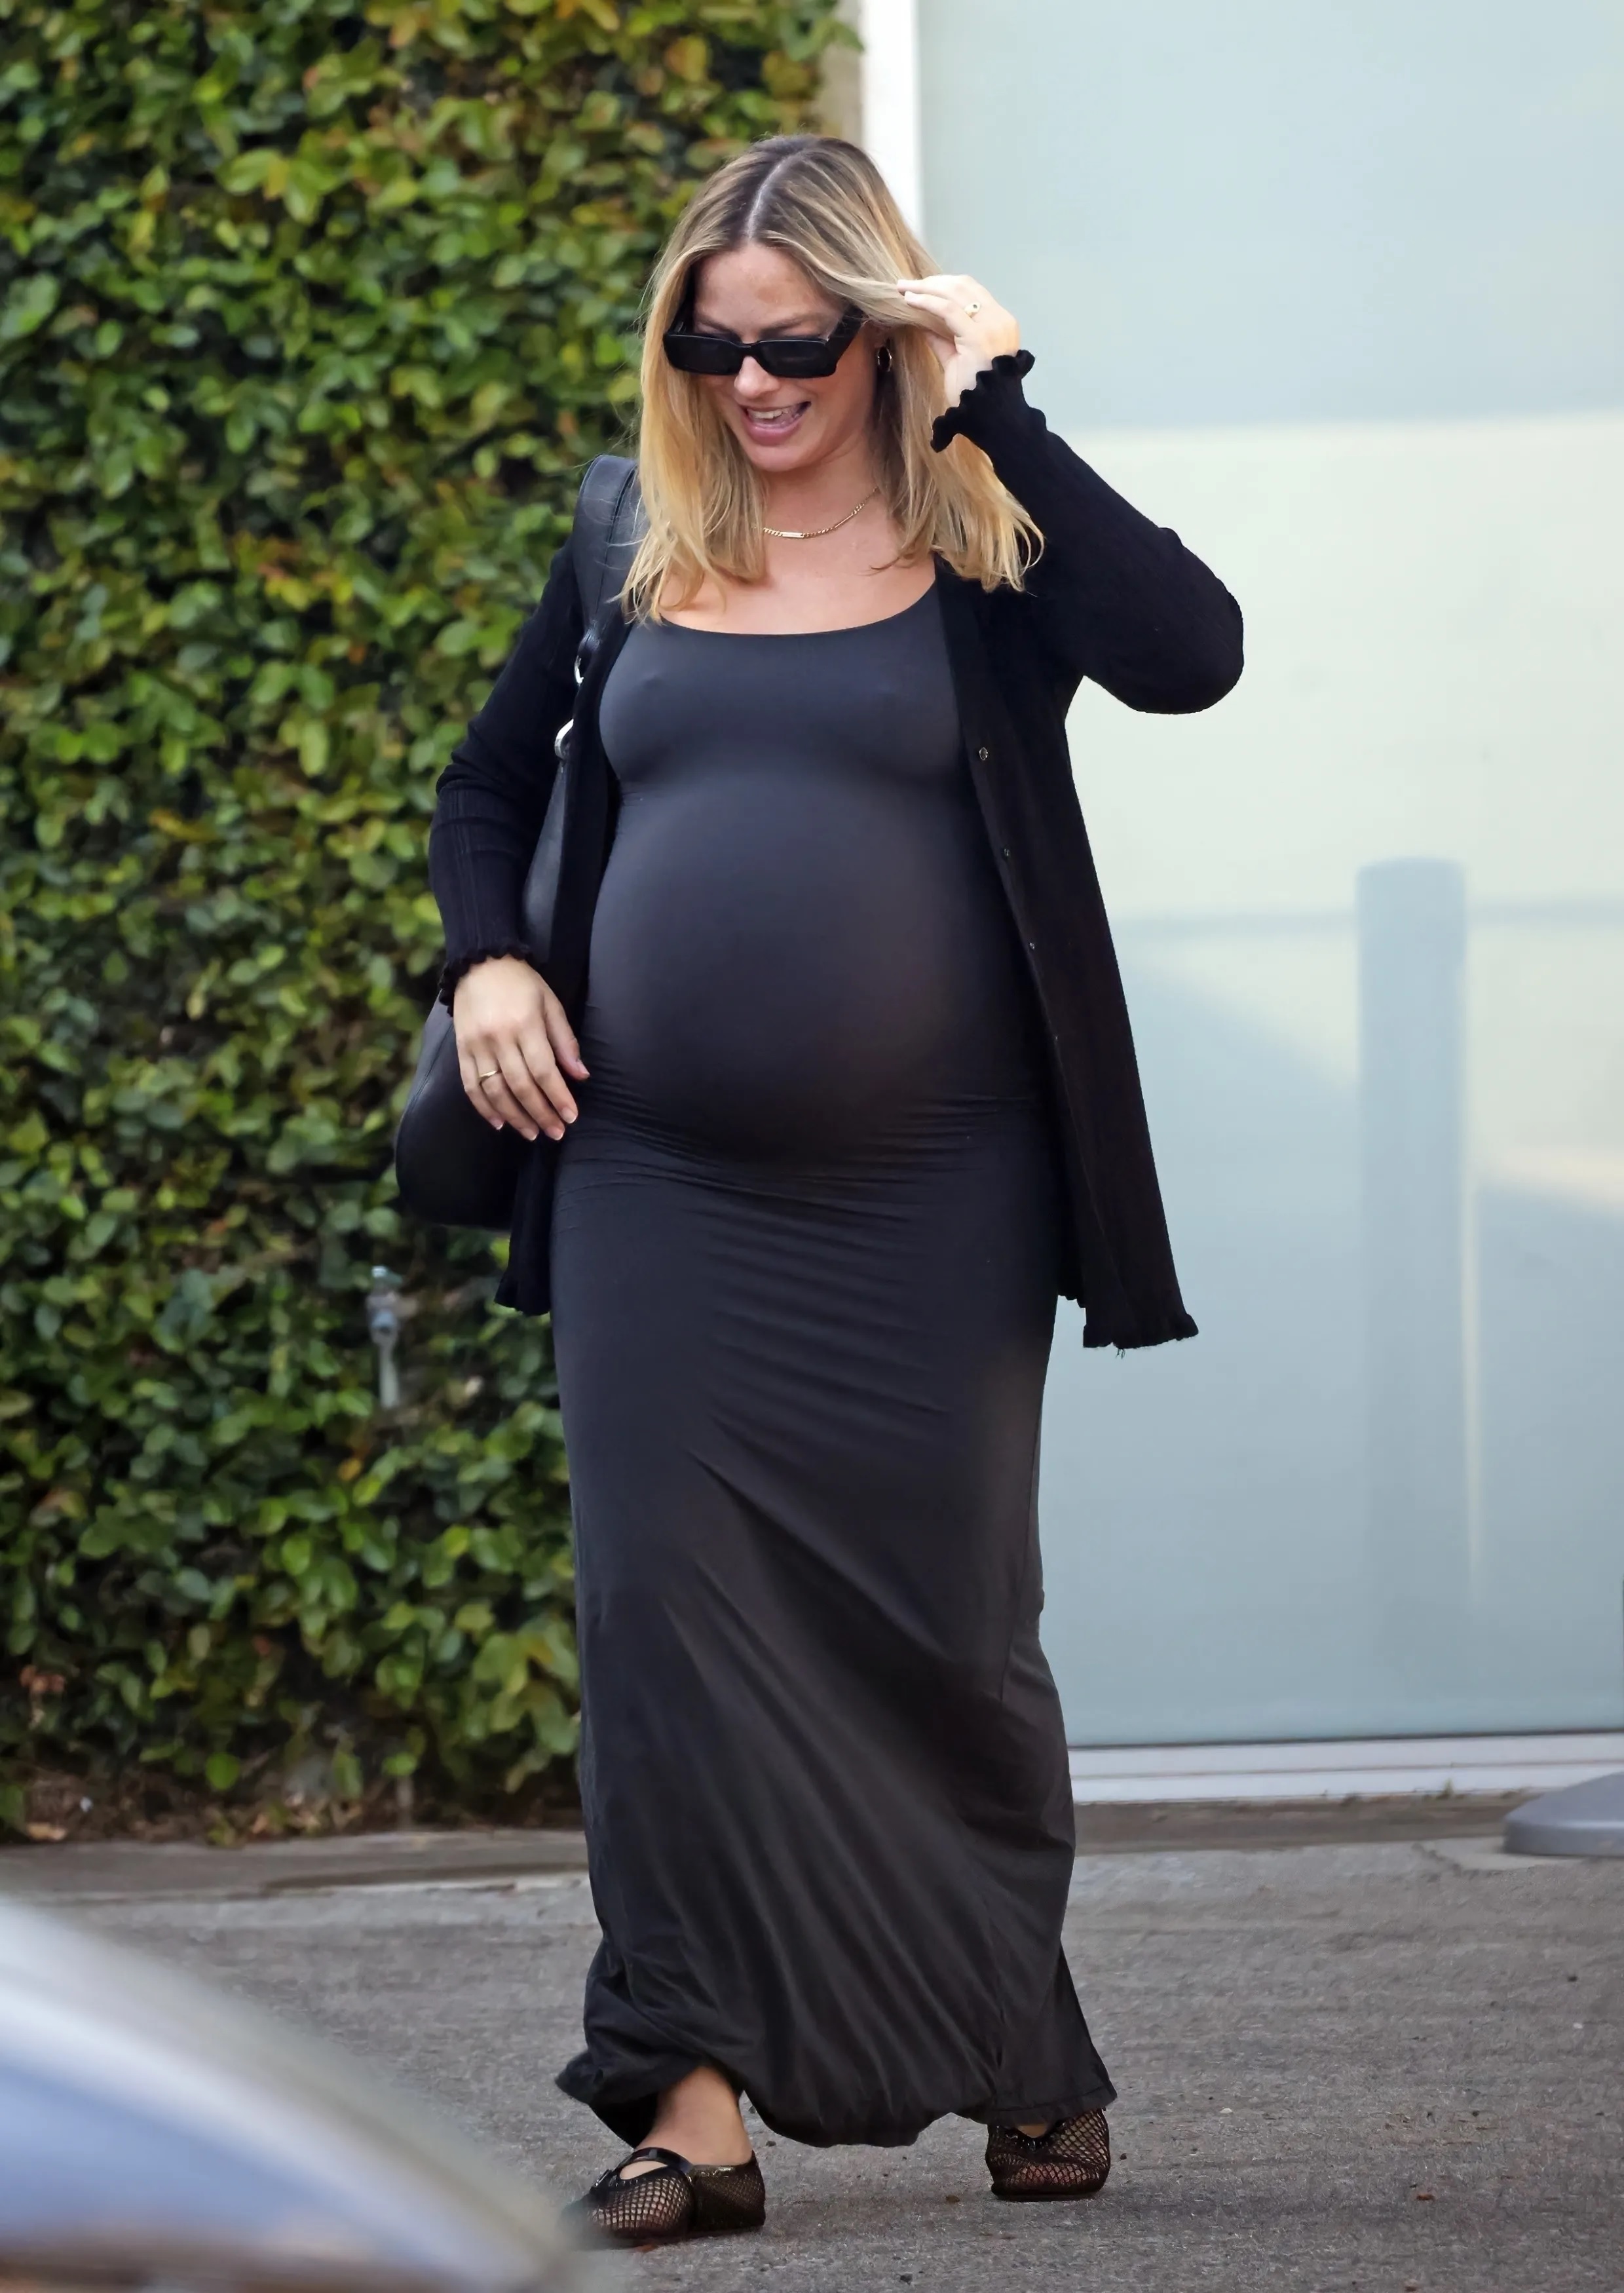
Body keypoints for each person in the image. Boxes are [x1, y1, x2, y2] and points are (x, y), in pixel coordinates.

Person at [428, 133, 1242, 2246]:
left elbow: (1194, 652)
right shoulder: (633, 534)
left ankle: (1020, 2042)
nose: (754, 387)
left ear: (883, 332)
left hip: (939, 1189)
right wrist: (490, 961)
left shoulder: (991, 536)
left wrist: (1003, 403)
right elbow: (488, 785)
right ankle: (688, 2106)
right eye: (712, 347)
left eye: (798, 344)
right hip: (653, 1184)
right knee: (662, 1635)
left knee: (950, 1631)